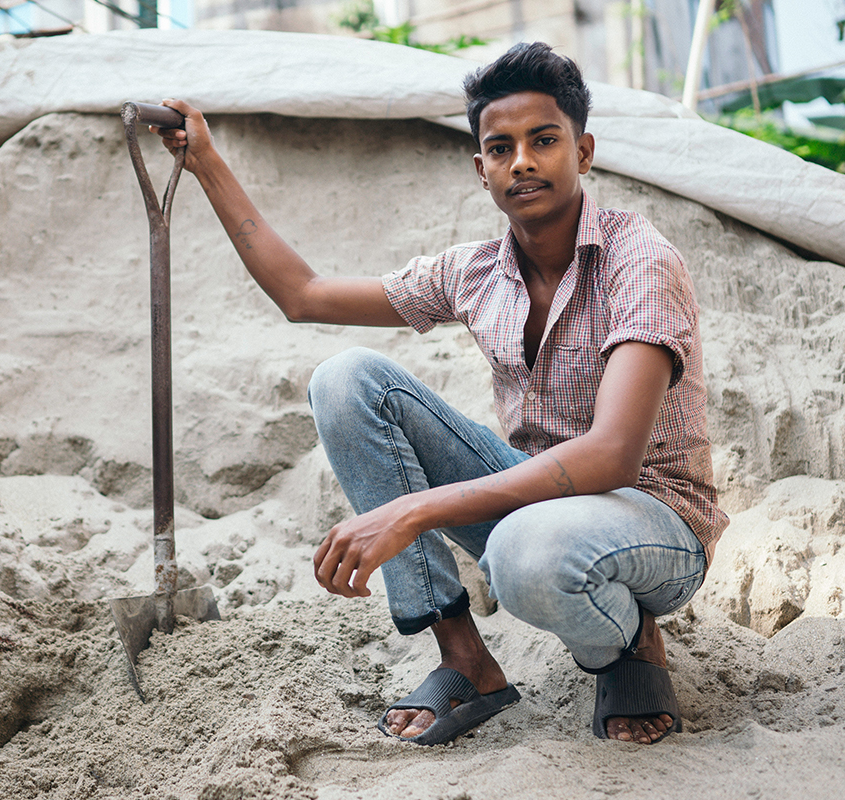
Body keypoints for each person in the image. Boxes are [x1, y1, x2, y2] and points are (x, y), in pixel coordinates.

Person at [153, 41, 727, 746]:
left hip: (654, 524)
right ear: (480, 169)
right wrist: (205, 160)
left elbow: (610, 457)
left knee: (523, 553)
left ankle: (631, 643)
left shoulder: (639, 261)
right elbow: (302, 295)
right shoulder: (476, 272)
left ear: (582, 153)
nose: (522, 160)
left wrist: (411, 511)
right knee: (348, 379)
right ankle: (465, 658)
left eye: (544, 141)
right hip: (537, 506)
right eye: (501, 147)